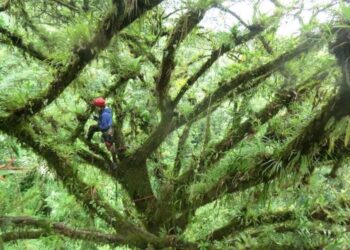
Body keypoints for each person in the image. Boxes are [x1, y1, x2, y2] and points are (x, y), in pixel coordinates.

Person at [87, 97, 117, 168]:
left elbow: (104, 127)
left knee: (109, 146)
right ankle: (88, 140)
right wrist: (97, 118)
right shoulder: (105, 110)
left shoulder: (104, 115)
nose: (95, 108)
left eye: (96, 107)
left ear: (100, 107)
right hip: (105, 127)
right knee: (92, 128)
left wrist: (98, 122)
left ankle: (114, 162)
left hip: (107, 130)